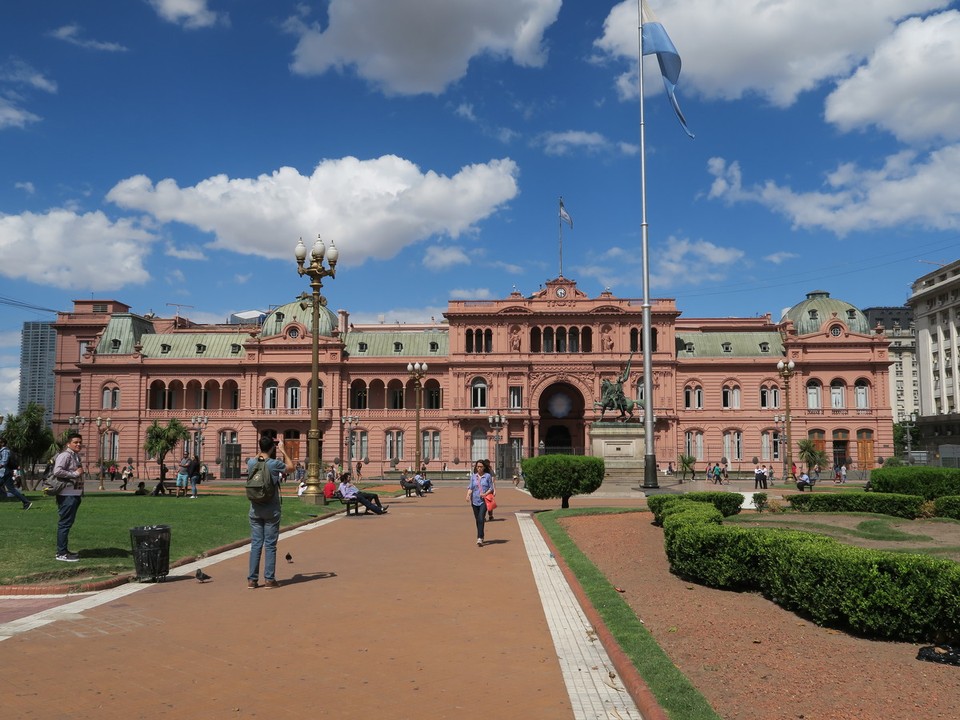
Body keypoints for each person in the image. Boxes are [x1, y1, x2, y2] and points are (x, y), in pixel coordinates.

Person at [247, 435, 293, 589]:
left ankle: (252, 580)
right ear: (272, 447)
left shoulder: (252, 463)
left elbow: (255, 460)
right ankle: (269, 579)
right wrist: (283, 450)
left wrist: (261, 451)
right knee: (270, 545)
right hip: (271, 510)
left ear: (259, 447)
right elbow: (291, 467)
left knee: (256, 544)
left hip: (255, 509)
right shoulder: (274, 464)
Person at [52, 432, 85, 561]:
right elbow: (57, 471)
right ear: (68, 443)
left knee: (67, 523)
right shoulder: (65, 455)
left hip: (74, 494)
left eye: (80, 442)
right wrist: (75, 474)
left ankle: (64, 550)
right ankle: (61, 553)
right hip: (67, 495)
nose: (78, 444)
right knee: (64, 524)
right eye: (75, 442)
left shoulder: (75, 456)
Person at [468, 459, 494, 547]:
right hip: (474, 501)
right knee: (477, 519)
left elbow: (491, 488)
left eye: (481, 467)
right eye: (478, 467)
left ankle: (479, 537)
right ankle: (481, 536)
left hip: (484, 501)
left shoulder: (487, 476)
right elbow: (470, 487)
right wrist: (467, 495)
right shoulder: (473, 477)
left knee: (481, 518)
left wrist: (485, 494)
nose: (479, 468)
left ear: (484, 467)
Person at [0, 437, 32, 509]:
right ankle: (26, 502)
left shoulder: (4, 451)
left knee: (12, 489)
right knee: (12, 489)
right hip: (4, 473)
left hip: (3, 473)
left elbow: (3, 463)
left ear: (2, 443)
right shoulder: (1, 451)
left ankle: (25, 502)